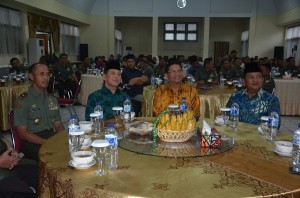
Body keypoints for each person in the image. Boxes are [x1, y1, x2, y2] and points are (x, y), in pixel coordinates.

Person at [14, 63, 65, 161]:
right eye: (42, 74)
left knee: (72, 150)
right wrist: (44, 142)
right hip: (32, 141)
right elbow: (22, 133)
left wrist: (63, 140)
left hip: (50, 137)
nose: (46, 78)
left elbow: (58, 125)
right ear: (31, 76)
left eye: (48, 74)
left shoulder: (52, 99)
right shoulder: (23, 101)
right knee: (55, 156)